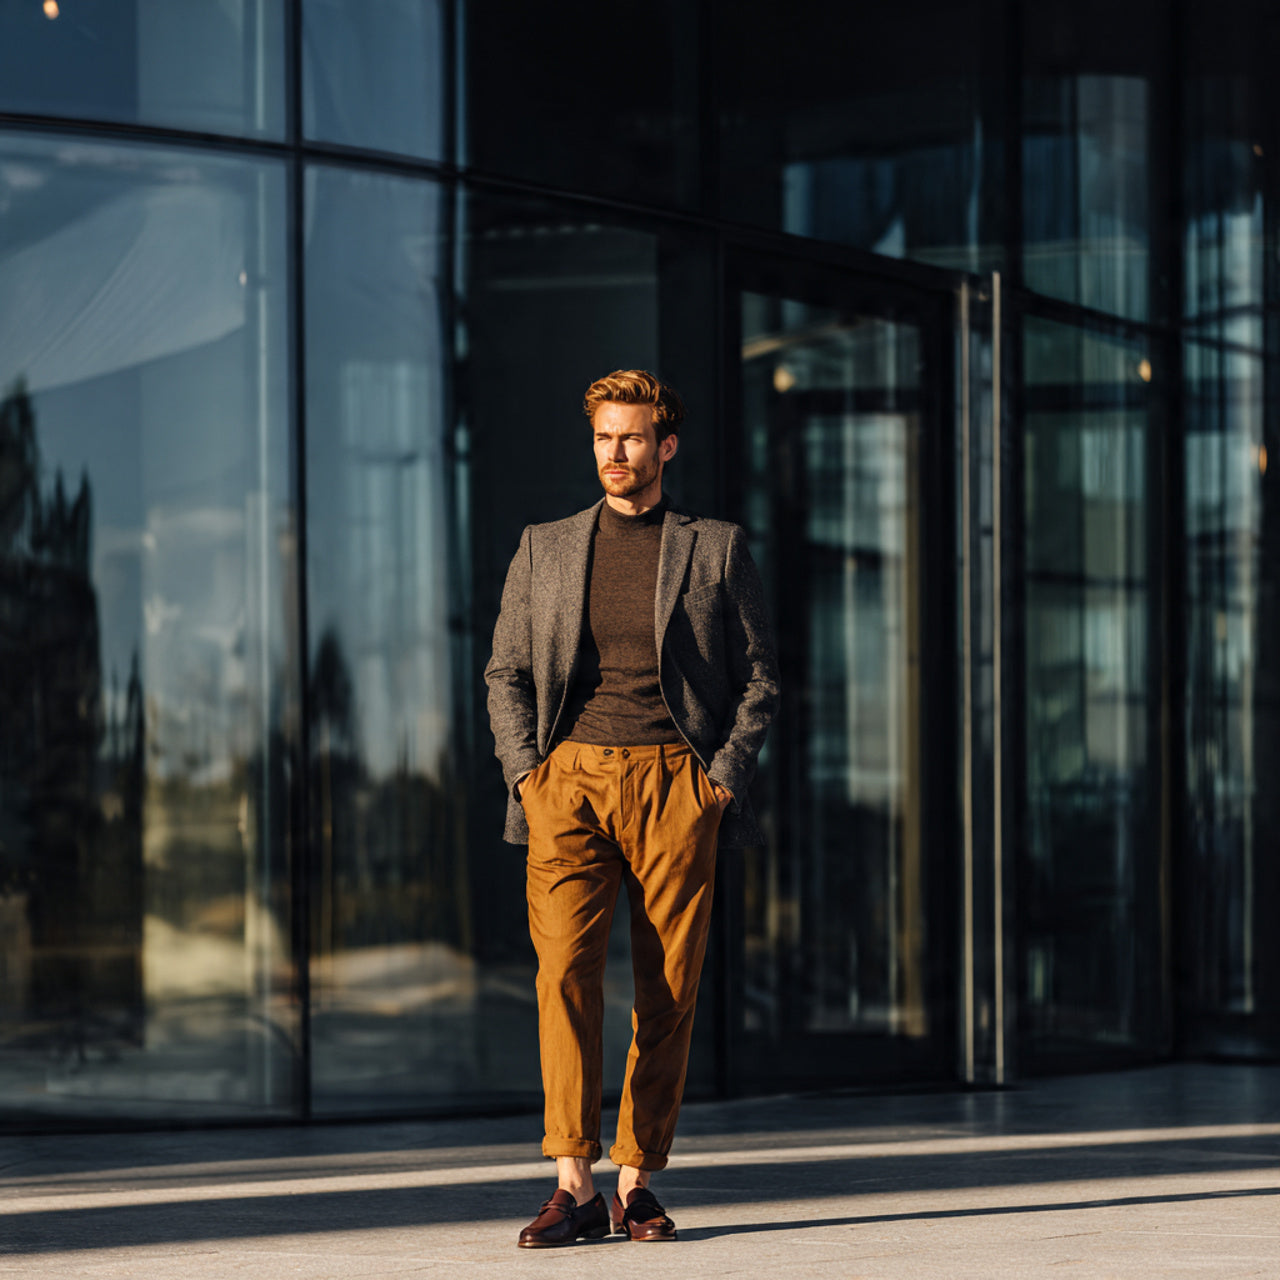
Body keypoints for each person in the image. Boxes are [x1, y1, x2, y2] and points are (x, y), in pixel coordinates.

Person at [485, 369, 779, 1248]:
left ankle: (637, 1181)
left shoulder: (714, 547)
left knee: (669, 991)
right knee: (563, 979)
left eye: (632, 437)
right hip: (566, 783)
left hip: (675, 784)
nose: (615, 452)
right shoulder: (545, 546)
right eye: (604, 437)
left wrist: (720, 778)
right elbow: (506, 672)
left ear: (665, 446)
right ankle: (570, 1183)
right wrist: (527, 774)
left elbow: (761, 675)